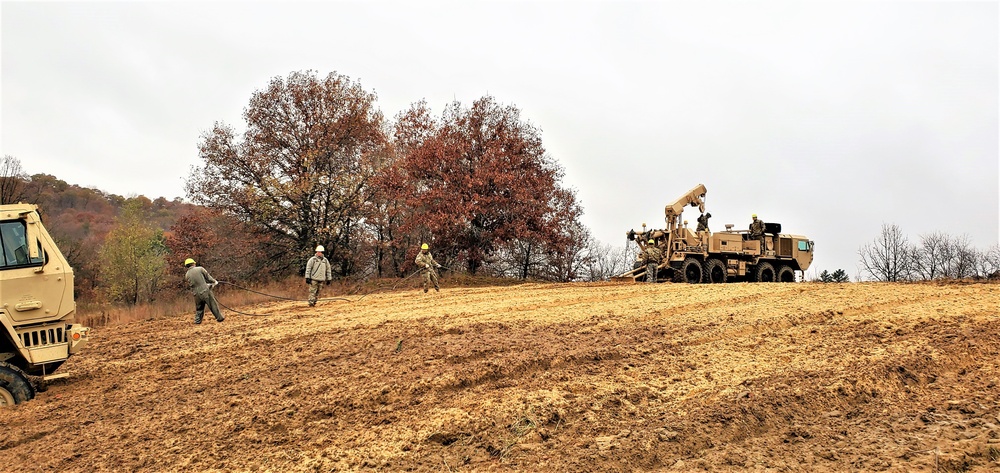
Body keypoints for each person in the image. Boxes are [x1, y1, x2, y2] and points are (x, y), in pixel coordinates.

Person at [184, 258, 224, 324]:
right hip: (205, 291)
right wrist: (214, 282)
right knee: (212, 304)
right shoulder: (200, 269)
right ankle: (220, 318)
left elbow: (195, 284)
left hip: (196, 294)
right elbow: (208, 277)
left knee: (199, 308)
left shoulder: (187, 274)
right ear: (193, 263)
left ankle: (197, 321)